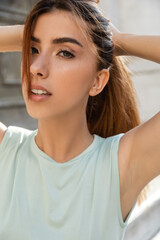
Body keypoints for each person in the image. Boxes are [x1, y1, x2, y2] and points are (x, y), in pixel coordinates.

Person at [0, 0, 159, 239]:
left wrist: (119, 40)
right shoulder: (5, 151)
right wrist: (32, 30)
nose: (36, 68)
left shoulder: (121, 165)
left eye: (64, 52)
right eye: (33, 50)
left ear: (98, 81)